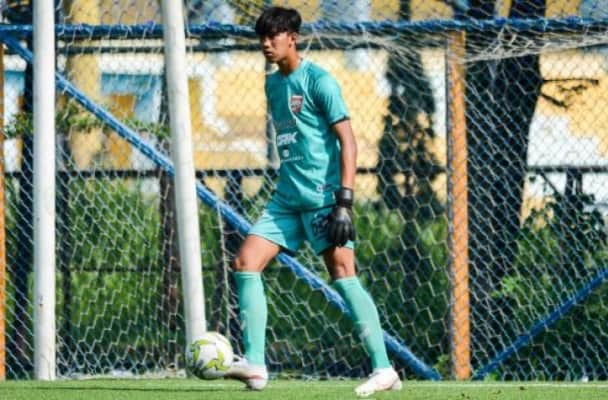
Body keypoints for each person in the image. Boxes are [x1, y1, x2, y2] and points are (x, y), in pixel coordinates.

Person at [225, 6, 402, 397]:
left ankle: (384, 368)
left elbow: (348, 142)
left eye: (273, 36)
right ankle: (255, 365)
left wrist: (344, 202)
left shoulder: (320, 81)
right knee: (245, 263)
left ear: (293, 38)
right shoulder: (272, 86)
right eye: (261, 38)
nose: (266, 44)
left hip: (325, 200)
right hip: (286, 202)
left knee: (343, 273)